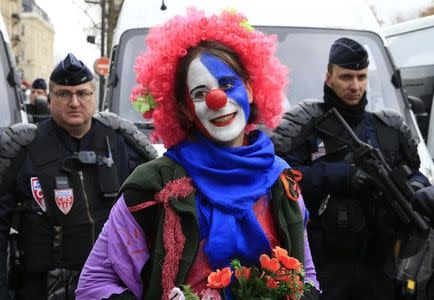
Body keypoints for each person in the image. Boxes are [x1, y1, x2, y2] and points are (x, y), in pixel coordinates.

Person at [76, 8, 320, 300]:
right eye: (200, 93)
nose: (218, 100)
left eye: (228, 84)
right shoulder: (153, 185)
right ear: (183, 109)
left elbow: (308, 277)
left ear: (251, 90)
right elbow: (94, 284)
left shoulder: (280, 180)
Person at [0, 53, 157, 300]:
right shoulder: (22, 149)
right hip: (42, 289)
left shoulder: (121, 143)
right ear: (50, 98)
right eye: (64, 94)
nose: (74, 102)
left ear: (93, 96)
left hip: (111, 286)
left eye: (82, 93)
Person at [271, 37, 432, 299]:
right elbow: (278, 179)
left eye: (361, 77)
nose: (355, 86)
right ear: (329, 77)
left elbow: (412, 172)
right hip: (324, 265)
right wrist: (341, 176)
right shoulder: (305, 126)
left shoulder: (387, 128)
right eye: (346, 77)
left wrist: (416, 186)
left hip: (380, 265)